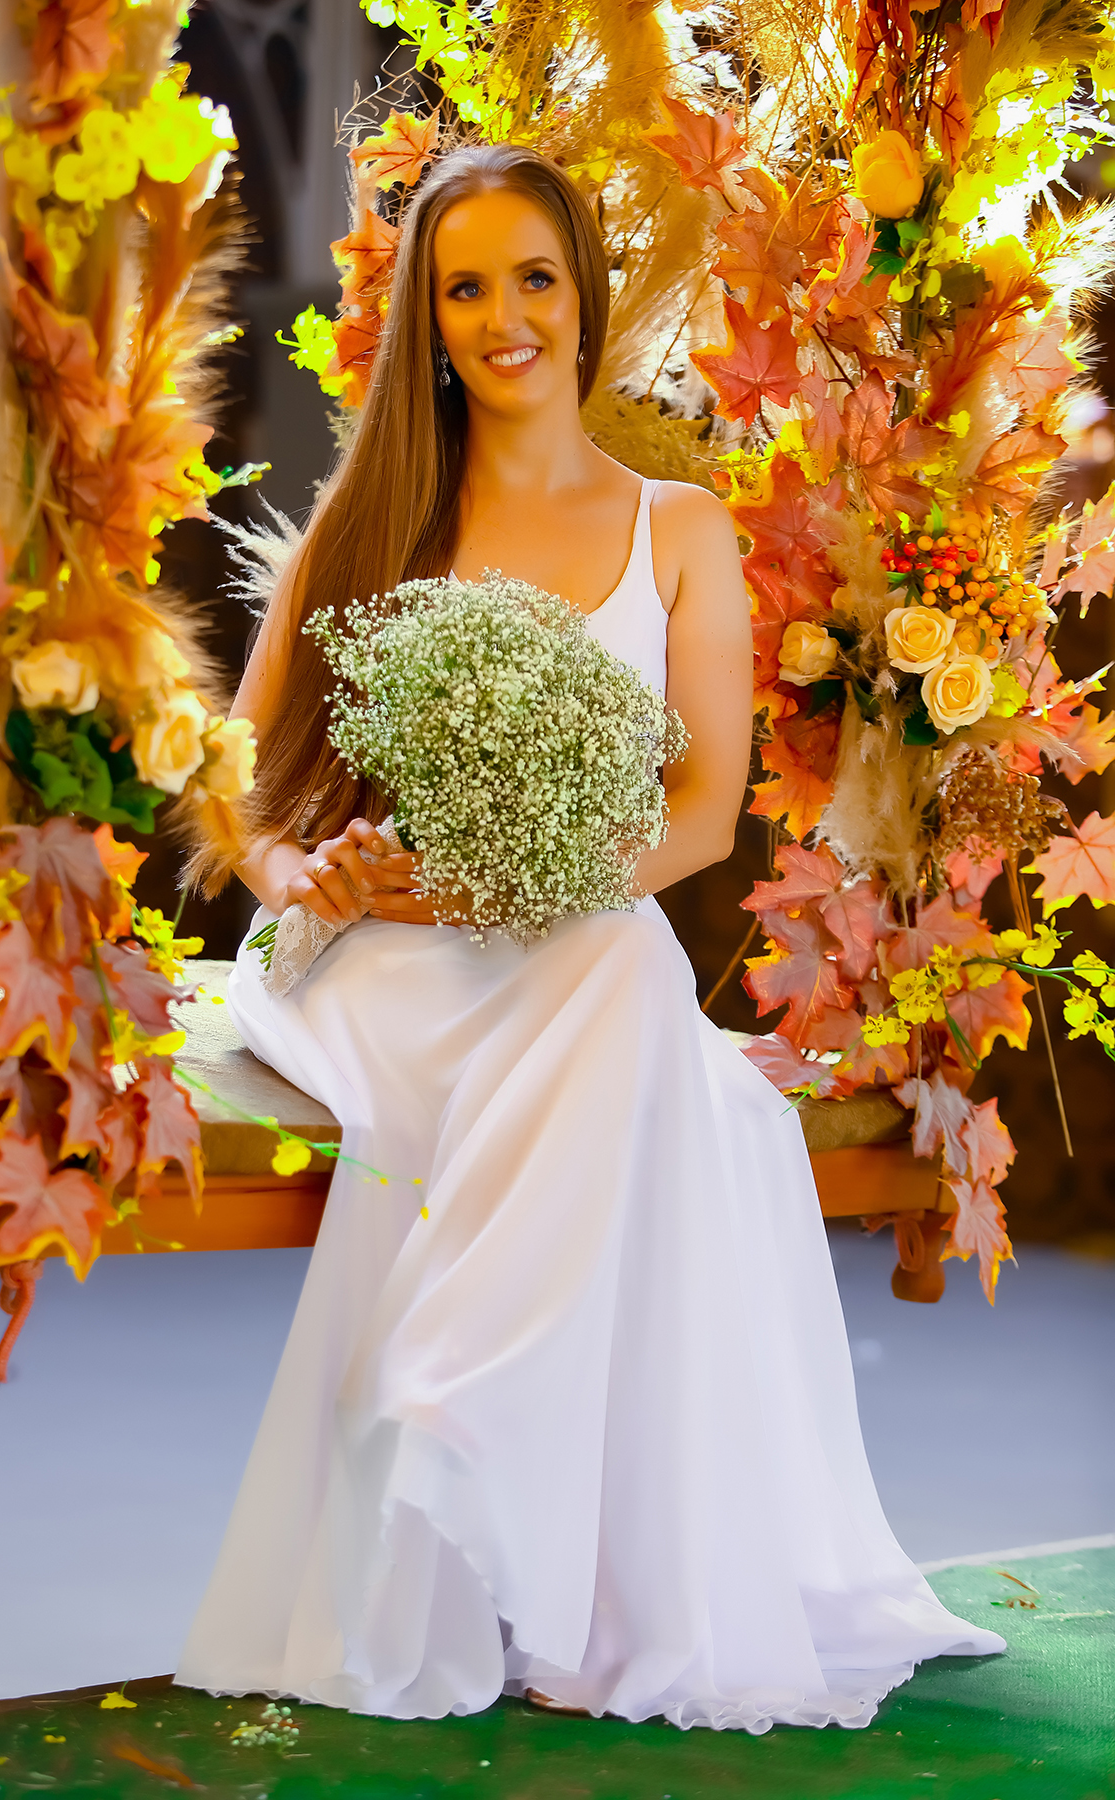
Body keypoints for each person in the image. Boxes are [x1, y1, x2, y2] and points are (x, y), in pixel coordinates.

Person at [175, 143, 1003, 1730]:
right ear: (427, 320)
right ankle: (475, 1431)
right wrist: (305, 874)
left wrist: (510, 883)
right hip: (377, 959)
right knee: (634, 1012)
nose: (505, 319)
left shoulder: (679, 528)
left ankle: (503, 1469)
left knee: (625, 973)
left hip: (562, 933)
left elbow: (701, 814)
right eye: (465, 289)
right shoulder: (376, 517)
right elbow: (241, 786)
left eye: (534, 280)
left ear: (586, 296)